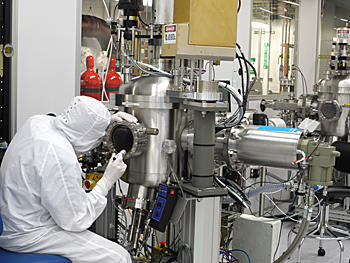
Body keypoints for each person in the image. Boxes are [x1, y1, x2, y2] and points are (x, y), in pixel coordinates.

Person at [0, 96, 137, 263]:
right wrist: (107, 181)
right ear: (87, 136)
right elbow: (76, 220)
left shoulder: (36, 122)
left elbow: (76, 124)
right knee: (119, 257)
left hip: (13, 219)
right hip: (30, 233)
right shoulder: (59, 155)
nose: (99, 142)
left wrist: (106, 121)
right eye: (98, 138)